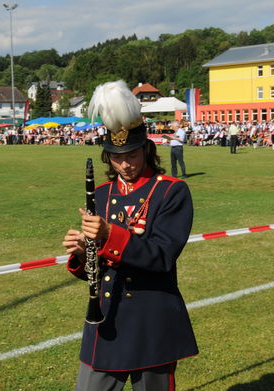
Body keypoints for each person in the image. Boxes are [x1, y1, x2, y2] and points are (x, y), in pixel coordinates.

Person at [62, 80, 198, 391]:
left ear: (147, 149)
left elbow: (161, 256)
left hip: (152, 322)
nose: (125, 164)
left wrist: (109, 233)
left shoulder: (171, 191)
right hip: (105, 319)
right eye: (115, 155)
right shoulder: (101, 193)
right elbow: (95, 271)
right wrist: (83, 252)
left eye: (132, 154)